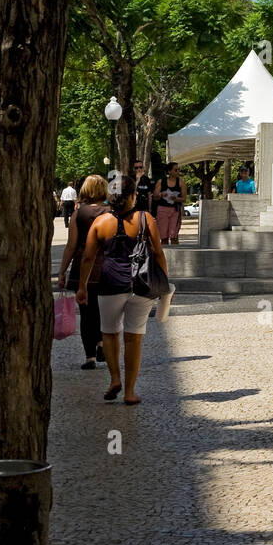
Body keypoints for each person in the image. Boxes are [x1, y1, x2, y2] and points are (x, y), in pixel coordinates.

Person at [78, 173, 168, 405]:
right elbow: (158, 252)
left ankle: (114, 378)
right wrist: (165, 284)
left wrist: (82, 287)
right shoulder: (145, 219)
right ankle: (129, 392)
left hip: (109, 284)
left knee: (108, 333)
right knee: (133, 338)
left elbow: (88, 258)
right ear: (132, 195)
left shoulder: (100, 222)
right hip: (141, 285)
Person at [57, 174, 109, 369]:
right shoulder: (112, 213)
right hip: (107, 268)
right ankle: (102, 343)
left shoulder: (78, 214)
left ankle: (90, 357)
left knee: (87, 313)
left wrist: (62, 271)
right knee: (104, 310)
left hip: (83, 268)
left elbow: (71, 246)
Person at [153, 161, 186, 246]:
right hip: (162, 209)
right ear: (169, 171)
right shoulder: (161, 182)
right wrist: (161, 194)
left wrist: (176, 198)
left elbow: (184, 199)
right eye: (176, 170)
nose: (178, 171)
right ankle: (165, 256)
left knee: (174, 236)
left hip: (175, 210)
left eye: (179, 170)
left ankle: (175, 254)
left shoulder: (181, 183)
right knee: (163, 237)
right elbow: (155, 196)